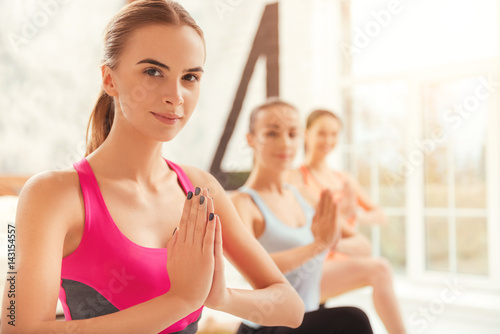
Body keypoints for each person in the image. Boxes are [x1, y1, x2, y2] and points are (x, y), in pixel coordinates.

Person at [0, 1, 305, 333]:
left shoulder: (200, 189)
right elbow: (17, 328)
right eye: (153, 72)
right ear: (109, 79)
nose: (175, 96)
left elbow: (291, 308)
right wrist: (181, 301)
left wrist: (222, 298)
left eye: (190, 77)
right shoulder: (52, 194)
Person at [230, 99, 374, 334]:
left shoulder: (303, 196)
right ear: (251, 139)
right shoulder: (242, 202)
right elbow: (256, 270)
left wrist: (332, 240)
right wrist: (319, 245)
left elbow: (364, 247)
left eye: (293, 133)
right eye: (272, 133)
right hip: (267, 327)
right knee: (353, 319)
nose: (285, 143)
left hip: (308, 318)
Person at [286, 109, 406, 334]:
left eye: (334, 134)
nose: (328, 140)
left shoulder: (343, 179)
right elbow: (315, 217)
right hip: (312, 264)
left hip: (338, 259)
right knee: (379, 269)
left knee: (375, 264)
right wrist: (341, 215)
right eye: (322, 133)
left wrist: (354, 215)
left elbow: (380, 215)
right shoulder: (295, 177)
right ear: (306, 134)